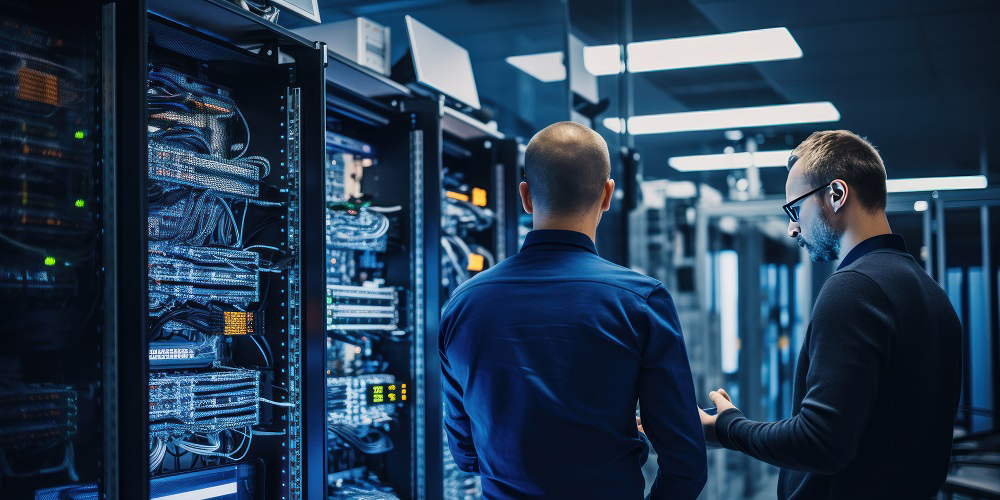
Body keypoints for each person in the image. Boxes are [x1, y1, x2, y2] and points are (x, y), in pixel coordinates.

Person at [439, 121, 707, 499]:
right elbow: (686, 464)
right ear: (608, 194)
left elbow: (466, 453)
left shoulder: (462, 305)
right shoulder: (641, 301)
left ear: (526, 197)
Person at [700, 130, 963, 499]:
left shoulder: (854, 288)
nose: (792, 228)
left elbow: (820, 442)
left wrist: (727, 427)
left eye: (795, 208)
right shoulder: (931, 293)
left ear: (836, 195)